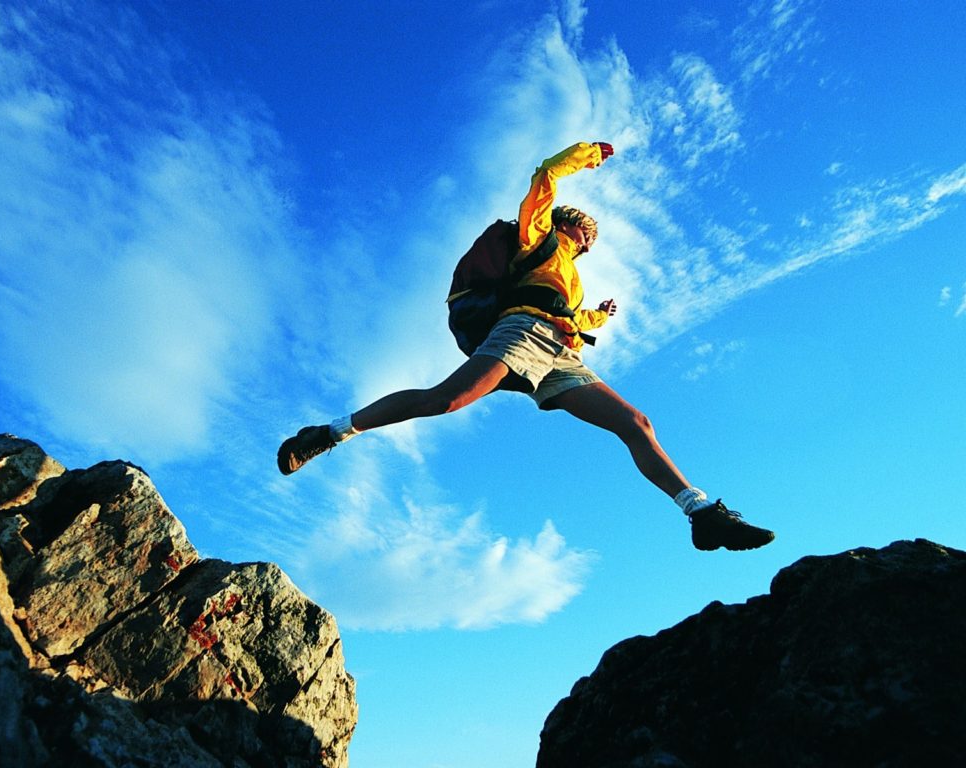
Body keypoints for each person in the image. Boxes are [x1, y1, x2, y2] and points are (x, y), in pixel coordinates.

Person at [278, 141, 774, 552]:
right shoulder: (538, 234)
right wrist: (582, 156)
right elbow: (543, 179)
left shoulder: (571, 275)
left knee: (636, 423)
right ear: (568, 224)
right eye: (584, 234)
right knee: (443, 400)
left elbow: (570, 315)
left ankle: (702, 513)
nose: (587, 243)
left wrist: (596, 316)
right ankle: (330, 432)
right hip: (521, 333)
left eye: (589, 242)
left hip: (561, 352)